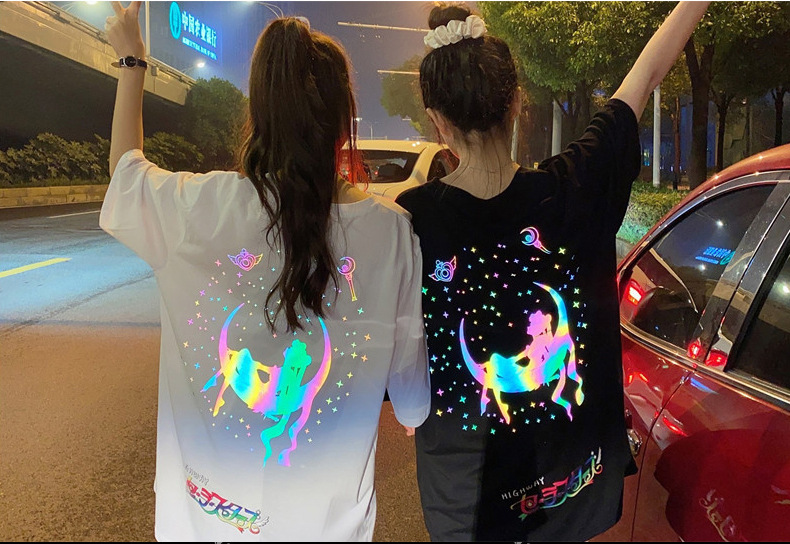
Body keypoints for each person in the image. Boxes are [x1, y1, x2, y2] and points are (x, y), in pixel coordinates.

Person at [100, 2, 430, 541]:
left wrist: (132, 62)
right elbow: (412, 396)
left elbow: (125, 175)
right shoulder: (391, 233)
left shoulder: (196, 209)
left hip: (204, 523)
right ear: (343, 120)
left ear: (258, 113)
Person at [394, 1, 711, 541]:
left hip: (465, 502)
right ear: (517, 103)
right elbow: (646, 75)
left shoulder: (410, 221)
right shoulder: (575, 188)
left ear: (437, 121)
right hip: (569, 491)